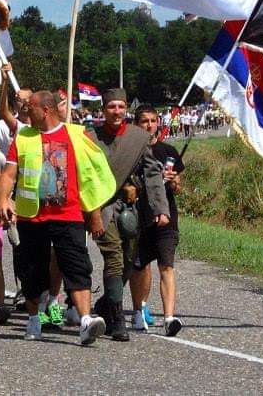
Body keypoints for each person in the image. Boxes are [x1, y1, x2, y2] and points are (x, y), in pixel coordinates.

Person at [0, 90, 113, 345]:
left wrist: (94, 213)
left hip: (68, 214)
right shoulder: (23, 137)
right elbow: (8, 175)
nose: (26, 111)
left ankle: (85, 321)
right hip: (31, 216)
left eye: (30, 107)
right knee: (32, 270)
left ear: (45, 110)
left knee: (77, 266)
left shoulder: (76, 135)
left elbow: (89, 177)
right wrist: (3, 199)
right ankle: (34, 318)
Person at [89, 89, 168, 341]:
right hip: (102, 207)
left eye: (121, 107)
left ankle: (105, 304)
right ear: (103, 110)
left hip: (130, 210)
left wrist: (160, 208)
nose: (116, 111)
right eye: (111, 107)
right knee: (113, 256)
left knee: (128, 260)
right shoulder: (90, 138)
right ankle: (116, 318)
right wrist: (91, 213)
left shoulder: (138, 138)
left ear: (126, 110)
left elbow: (153, 174)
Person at [131, 105, 184, 337]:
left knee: (167, 266)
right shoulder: (132, 152)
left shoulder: (169, 151)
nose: (150, 125)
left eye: (153, 121)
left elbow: (178, 187)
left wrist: (172, 181)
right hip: (139, 216)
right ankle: (139, 308)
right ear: (137, 124)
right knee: (140, 266)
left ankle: (169, 317)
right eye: (145, 121)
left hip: (166, 218)